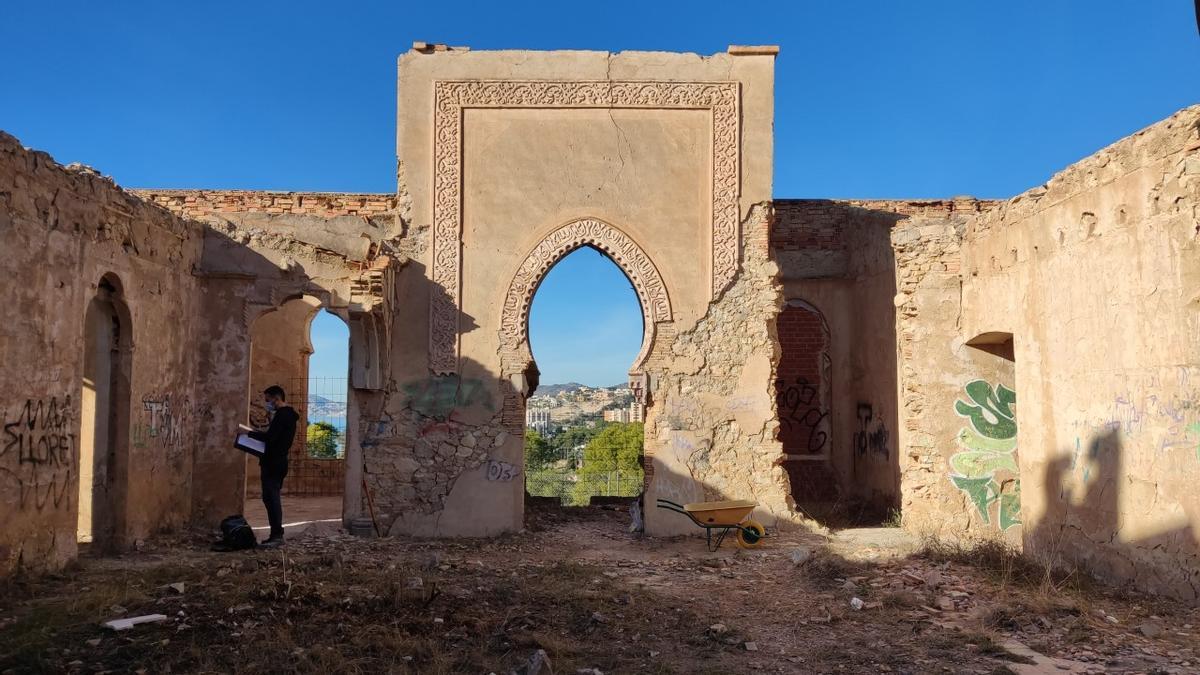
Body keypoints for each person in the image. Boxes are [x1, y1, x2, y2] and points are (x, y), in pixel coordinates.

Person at [249, 385, 299, 547]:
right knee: (269, 497)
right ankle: (275, 533)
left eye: (268, 399)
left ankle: (277, 535)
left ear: (276, 398)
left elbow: (271, 438)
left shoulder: (283, 416)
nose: (266, 403)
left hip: (273, 463)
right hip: (278, 461)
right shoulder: (288, 415)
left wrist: (248, 434)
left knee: (272, 498)